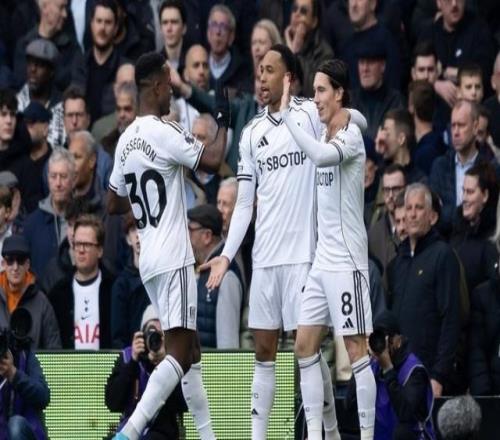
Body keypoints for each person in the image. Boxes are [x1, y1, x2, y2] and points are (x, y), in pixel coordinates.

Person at [202, 46, 366, 440]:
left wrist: (350, 117)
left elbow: (354, 118)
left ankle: (323, 431)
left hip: (304, 255)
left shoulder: (310, 113)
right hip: (265, 258)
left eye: (270, 70)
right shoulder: (250, 133)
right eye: (259, 70)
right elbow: (245, 203)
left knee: (305, 350)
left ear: (288, 77)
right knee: (264, 352)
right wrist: (226, 255)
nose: (261, 77)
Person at [107, 51, 229, 440]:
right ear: (157, 86)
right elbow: (213, 160)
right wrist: (223, 118)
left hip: (149, 259)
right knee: (177, 354)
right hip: (175, 256)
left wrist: (144, 200)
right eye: (170, 85)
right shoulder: (166, 131)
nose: (173, 93)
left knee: (191, 353)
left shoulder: (126, 140)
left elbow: (112, 203)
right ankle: (129, 433)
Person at [278, 58, 375, 440]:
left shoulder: (350, 138)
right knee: (304, 346)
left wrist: (286, 116)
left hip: (347, 261)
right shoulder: (327, 127)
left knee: (357, 350)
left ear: (339, 93)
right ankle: (323, 434)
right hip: (321, 261)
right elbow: (354, 116)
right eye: (314, 90)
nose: (315, 97)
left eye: (322, 91)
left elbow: (320, 157)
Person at [388, 183, 461, 397]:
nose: (412, 214)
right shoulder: (397, 263)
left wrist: (438, 376)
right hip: (399, 374)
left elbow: (451, 319)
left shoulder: (443, 255)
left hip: (428, 376)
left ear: (432, 217)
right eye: (408, 208)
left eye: (419, 208)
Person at [106, 305, 187, 439]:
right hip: (130, 428)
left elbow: (183, 405)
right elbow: (113, 403)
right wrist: (132, 362)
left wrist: (166, 364)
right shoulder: (128, 357)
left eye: (162, 334)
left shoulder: (176, 361)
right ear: (142, 335)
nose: (156, 339)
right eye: (152, 332)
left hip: (163, 432)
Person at [48, 214, 115, 349]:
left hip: (106, 362)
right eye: (77, 244)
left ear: (100, 251)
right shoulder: (58, 293)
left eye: (87, 245)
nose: (81, 250)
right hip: (69, 362)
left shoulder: (113, 289)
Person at [367, 311, 435, 439]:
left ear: (398, 340)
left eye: (385, 340)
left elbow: (405, 415)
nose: (381, 346)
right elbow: (349, 404)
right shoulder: (374, 365)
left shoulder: (414, 370)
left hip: (411, 437)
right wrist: (362, 361)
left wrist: (388, 369)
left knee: (402, 432)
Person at [188, 204, 243, 349]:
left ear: (207, 236)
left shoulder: (227, 277)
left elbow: (227, 348)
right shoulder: (202, 271)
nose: (187, 238)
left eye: (190, 230)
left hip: (214, 364)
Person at [0, 234, 61, 350]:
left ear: (27, 264)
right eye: (10, 260)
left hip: (33, 361)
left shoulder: (42, 303)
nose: (15, 267)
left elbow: (54, 350)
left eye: (20, 260)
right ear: (3, 264)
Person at [0, 321, 50, 439]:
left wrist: (13, 374)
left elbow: (43, 397)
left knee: (15, 425)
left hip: (23, 431)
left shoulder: (24, 355)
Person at [111, 213, 150, 349]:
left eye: (142, 228)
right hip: (133, 357)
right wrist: (131, 355)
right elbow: (118, 339)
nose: (138, 235)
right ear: (128, 239)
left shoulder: (164, 278)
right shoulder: (121, 285)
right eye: (134, 230)